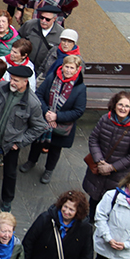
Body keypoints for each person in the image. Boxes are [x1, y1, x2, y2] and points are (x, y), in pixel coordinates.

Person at [0, 65, 47, 212]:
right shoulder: (1, 88)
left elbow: (39, 127)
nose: (12, 82)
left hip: (11, 143)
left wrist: (20, 142)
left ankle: (7, 200)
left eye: (16, 80)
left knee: (10, 173)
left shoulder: (33, 103)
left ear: (26, 82)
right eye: (12, 79)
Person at [20, 54, 86, 184]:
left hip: (61, 124)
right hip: (44, 118)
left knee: (55, 148)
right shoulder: (52, 78)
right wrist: (47, 113)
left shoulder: (80, 87)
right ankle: (31, 161)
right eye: (66, 66)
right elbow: (39, 95)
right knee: (37, 142)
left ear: (77, 69)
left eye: (71, 68)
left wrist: (57, 116)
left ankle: (48, 170)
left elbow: (78, 110)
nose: (68, 70)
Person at [82, 91, 130, 216]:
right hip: (99, 169)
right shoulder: (105, 119)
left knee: (112, 203)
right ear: (115, 104)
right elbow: (94, 139)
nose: (123, 108)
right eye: (120, 104)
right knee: (94, 199)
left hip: (118, 175)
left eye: (127, 106)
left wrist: (111, 167)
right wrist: (100, 161)